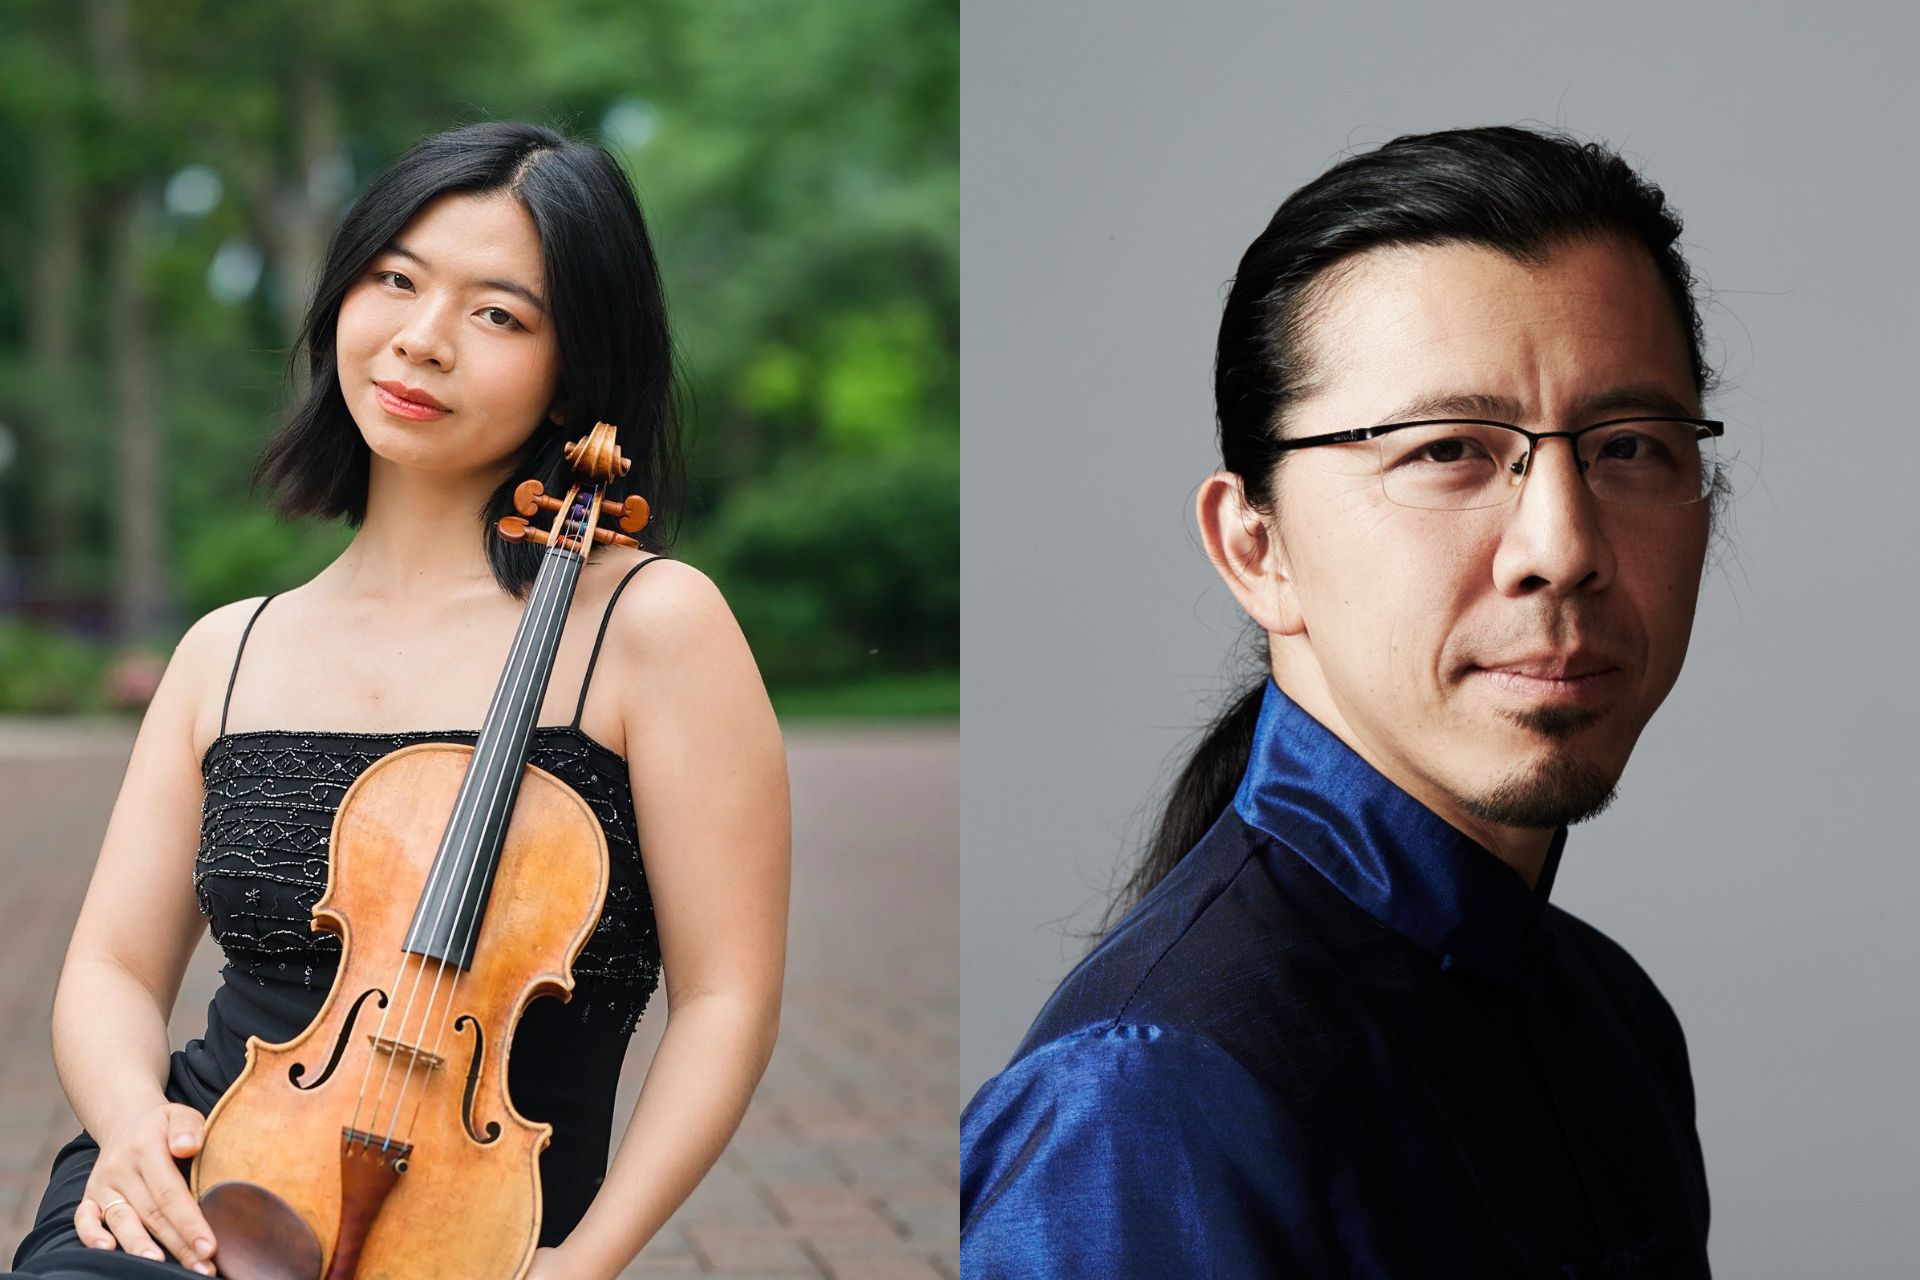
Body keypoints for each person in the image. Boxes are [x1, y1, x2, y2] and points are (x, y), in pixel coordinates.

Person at [8, 121, 791, 1279]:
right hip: (203, 1186)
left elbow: (727, 996)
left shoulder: (649, 627)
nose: (423, 339)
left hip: (473, 1224)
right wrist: (129, 1123)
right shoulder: (229, 648)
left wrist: (587, 1261)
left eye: (499, 314)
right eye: (395, 280)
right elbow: (112, 968)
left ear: (575, 369)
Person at [961, 126, 1722, 1277]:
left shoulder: (1611, 1016)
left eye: (1627, 446)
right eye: (1447, 449)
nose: (1562, 547)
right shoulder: (1150, 1096)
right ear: (1255, 547)